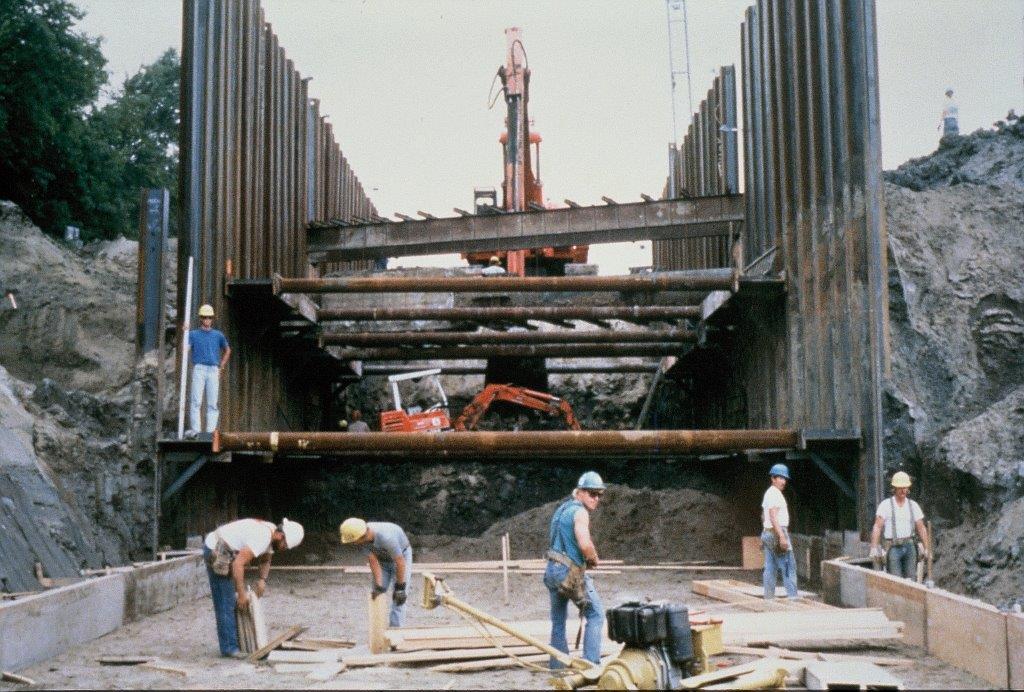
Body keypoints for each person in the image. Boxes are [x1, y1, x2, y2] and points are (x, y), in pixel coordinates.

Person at [203, 517, 304, 658]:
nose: (283, 549)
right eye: (284, 545)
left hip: (229, 549)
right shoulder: (262, 537)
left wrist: (262, 580)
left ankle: (233, 642)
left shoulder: (271, 532)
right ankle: (229, 649)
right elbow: (238, 565)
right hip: (216, 548)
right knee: (226, 600)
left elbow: (266, 558)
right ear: (281, 536)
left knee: (231, 599)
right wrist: (242, 593)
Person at [544, 471, 606, 668]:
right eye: (592, 493)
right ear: (579, 493)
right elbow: (585, 544)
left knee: (558, 621)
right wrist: (594, 559)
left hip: (552, 571)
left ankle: (558, 667)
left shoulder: (561, 510)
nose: (596, 498)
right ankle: (590, 664)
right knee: (596, 614)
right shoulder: (580, 512)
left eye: (599, 494)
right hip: (569, 573)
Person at [340, 518, 413, 626]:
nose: (354, 544)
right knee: (377, 593)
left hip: (402, 556)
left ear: (361, 536)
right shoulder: (362, 538)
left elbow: (400, 562)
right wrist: (379, 586)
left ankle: (395, 632)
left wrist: (400, 587)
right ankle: (378, 631)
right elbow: (373, 561)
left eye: (354, 541)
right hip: (382, 559)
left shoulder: (387, 537)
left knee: (399, 599)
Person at [869, 471, 929, 580]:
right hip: (893, 547)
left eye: (905, 487)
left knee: (911, 579)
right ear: (894, 488)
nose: (903, 490)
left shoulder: (913, 505)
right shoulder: (885, 505)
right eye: (900, 487)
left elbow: (921, 527)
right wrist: (873, 547)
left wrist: (927, 548)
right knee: (895, 580)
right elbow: (877, 527)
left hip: (910, 546)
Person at [187, 303, 231, 436]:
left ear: (212, 319)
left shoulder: (218, 335)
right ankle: (196, 430)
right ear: (201, 318)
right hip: (199, 369)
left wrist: (221, 366)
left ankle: (211, 432)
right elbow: (186, 349)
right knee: (196, 401)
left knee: (212, 402)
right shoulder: (193, 334)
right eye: (205, 317)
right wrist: (184, 333)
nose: (207, 320)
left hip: (213, 369)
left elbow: (228, 350)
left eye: (209, 317)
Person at [761, 463, 798, 600]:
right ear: (773, 478)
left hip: (768, 532)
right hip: (777, 532)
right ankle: (793, 599)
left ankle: (768, 599)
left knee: (770, 568)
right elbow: (772, 516)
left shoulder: (768, 493)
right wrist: (781, 537)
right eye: (780, 478)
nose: (783, 481)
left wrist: (766, 533)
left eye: (784, 478)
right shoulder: (775, 494)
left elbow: (764, 516)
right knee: (788, 567)